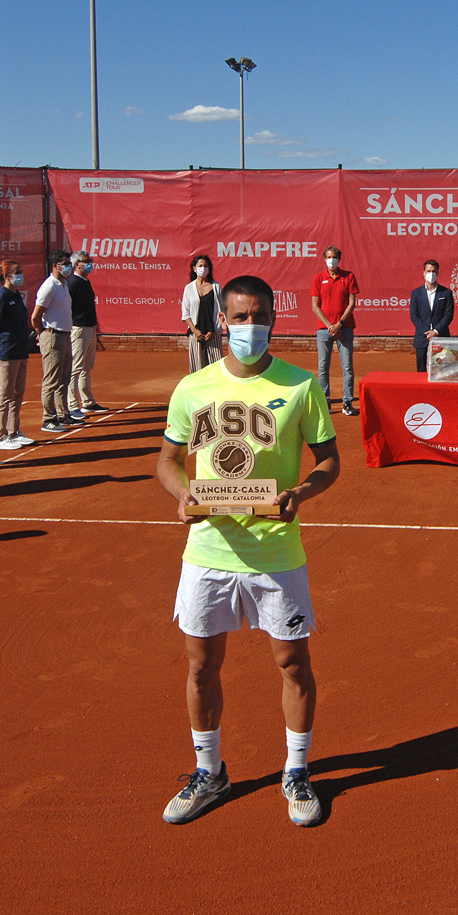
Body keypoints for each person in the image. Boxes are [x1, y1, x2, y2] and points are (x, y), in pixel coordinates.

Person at [154, 274, 342, 828]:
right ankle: (209, 771)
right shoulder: (193, 388)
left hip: (276, 551)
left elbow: (329, 461)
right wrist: (182, 493)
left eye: (258, 315)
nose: (248, 326)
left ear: (273, 320)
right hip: (209, 549)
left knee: (292, 662)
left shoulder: (302, 386)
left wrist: (303, 492)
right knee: (201, 665)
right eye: (238, 317)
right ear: (222, 323)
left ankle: (296, 771)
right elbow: (166, 460)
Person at [0, 260, 34, 450]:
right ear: (6, 277)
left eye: (20, 271)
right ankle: (0, 436)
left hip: (20, 351)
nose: (21, 275)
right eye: (17, 272)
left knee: (17, 393)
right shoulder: (0, 297)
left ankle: (14, 431)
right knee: (4, 395)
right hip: (5, 352)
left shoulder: (17, 295)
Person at [311, 245, 360, 415]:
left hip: (345, 328)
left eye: (334, 257)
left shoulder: (349, 276)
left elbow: (352, 303)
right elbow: (315, 306)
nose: (331, 260)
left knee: (347, 367)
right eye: (328, 257)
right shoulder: (318, 278)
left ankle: (348, 402)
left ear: (339, 259)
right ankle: (326, 402)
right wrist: (329, 326)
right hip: (324, 330)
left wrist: (339, 324)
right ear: (324, 259)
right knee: (323, 367)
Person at [31, 251, 75, 432]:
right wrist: (41, 333)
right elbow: (36, 316)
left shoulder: (63, 285)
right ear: (55, 266)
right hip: (52, 336)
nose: (68, 267)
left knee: (64, 379)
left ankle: (63, 414)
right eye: (65, 263)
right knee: (51, 379)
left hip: (65, 335)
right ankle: (48, 418)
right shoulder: (48, 286)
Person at [66, 250, 106, 415]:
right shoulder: (72, 283)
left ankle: (88, 402)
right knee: (75, 367)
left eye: (90, 260)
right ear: (77, 264)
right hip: (78, 329)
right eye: (86, 261)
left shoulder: (85, 282)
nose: (89, 263)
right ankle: (72, 405)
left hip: (89, 328)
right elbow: (67, 308)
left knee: (86, 367)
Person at [409, 258, 454, 374]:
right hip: (422, 339)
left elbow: (448, 315)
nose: (431, 274)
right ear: (424, 273)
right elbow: (414, 316)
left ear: (438, 273)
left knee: (442, 371)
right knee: (421, 372)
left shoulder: (446, 293)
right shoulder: (416, 293)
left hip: (441, 337)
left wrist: (436, 331)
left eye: (434, 271)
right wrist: (427, 332)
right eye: (428, 271)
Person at [181, 254, 223, 371]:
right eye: (200, 265)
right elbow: (185, 313)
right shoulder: (189, 288)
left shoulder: (216, 287)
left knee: (216, 367)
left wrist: (213, 330)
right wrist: (195, 331)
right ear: (194, 268)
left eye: (205, 266)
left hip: (212, 334)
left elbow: (221, 310)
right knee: (197, 367)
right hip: (196, 334)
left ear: (209, 269)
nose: (203, 268)